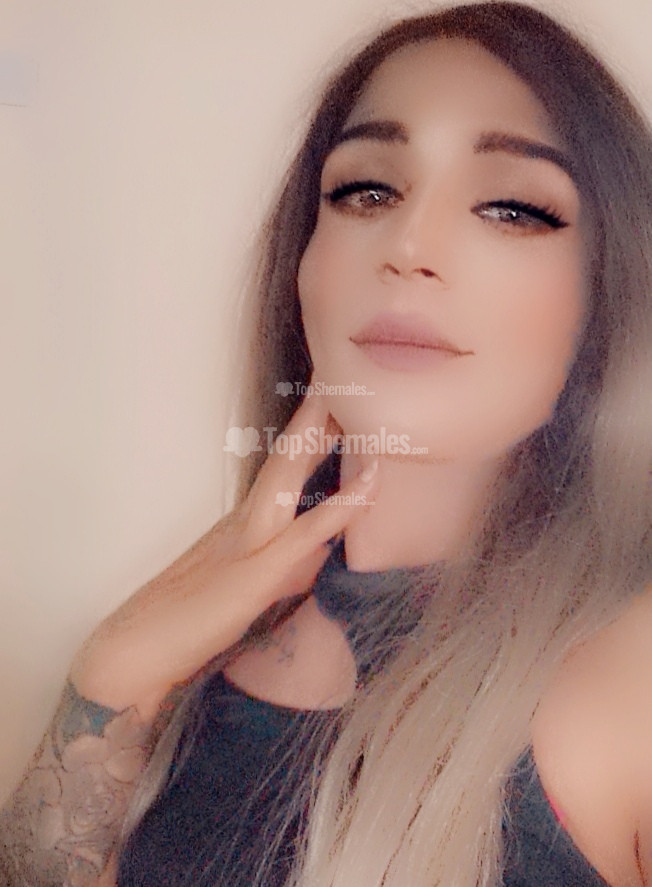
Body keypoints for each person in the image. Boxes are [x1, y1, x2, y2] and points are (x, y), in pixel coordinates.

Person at [1, 2, 651, 885]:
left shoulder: (632, 677)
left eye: (511, 207)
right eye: (366, 191)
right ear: (304, 266)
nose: (409, 244)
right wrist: (114, 676)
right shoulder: (202, 658)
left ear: (609, 295)